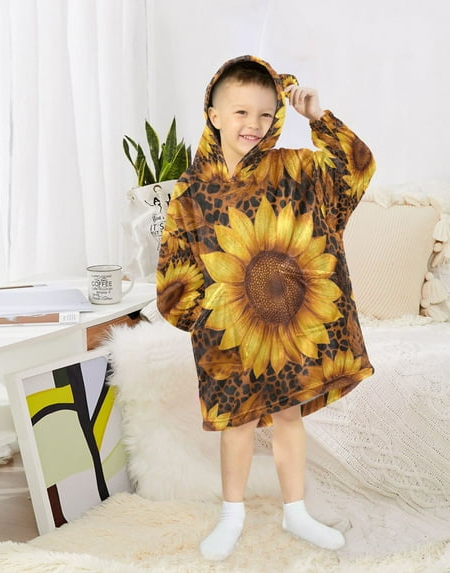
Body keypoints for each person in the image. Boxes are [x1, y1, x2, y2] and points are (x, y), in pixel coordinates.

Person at [156, 55, 376, 561]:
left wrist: (319, 119)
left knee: (288, 416)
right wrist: (207, 317)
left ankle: (296, 511)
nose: (252, 125)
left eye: (263, 114)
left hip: (291, 324)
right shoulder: (191, 189)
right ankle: (231, 515)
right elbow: (174, 265)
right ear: (214, 115)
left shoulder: (294, 170)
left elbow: (356, 169)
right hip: (228, 331)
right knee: (235, 423)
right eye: (240, 113)